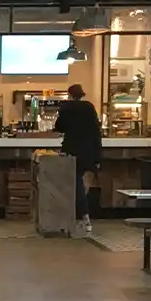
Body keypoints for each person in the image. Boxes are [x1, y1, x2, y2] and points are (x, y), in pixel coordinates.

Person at [53, 83, 103, 234]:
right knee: (82, 185)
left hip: (72, 150)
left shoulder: (66, 108)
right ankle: (82, 216)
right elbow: (96, 131)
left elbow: (59, 127)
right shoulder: (90, 108)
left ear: (69, 94)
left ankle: (83, 216)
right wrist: (98, 156)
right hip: (89, 151)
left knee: (75, 185)